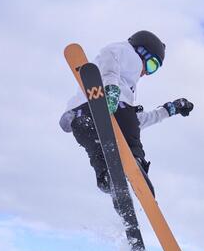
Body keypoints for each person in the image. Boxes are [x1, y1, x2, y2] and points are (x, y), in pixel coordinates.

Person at [60, 30, 193, 195]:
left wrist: (169, 109)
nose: (146, 73)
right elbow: (109, 56)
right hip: (106, 103)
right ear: (142, 51)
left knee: (94, 145)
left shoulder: (126, 88)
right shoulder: (127, 53)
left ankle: (106, 176)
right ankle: (135, 159)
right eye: (151, 65)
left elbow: (135, 122)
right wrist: (111, 88)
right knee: (130, 134)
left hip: (82, 115)